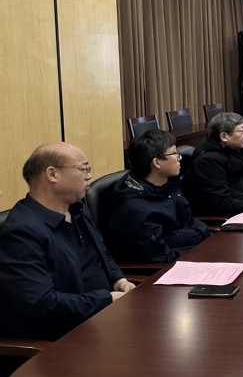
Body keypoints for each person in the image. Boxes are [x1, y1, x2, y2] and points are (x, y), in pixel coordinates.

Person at [0, 143, 135, 341]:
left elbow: (102, 254)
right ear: (52, 174)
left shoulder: (78, 209)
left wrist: (119, 280)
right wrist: (106, 299)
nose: (89, 176)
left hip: (104, 316)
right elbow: (42, 305)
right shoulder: (21, 231)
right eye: (84, 169)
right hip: (66, 336)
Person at [105, 130, 211, 263]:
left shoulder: (168, 186)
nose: (180, 157)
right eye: (174, 153)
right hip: (166, 268)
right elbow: (161, 257)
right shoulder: (135, 209)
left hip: (191, 251)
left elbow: (188, 221)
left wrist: (208, 238)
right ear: (157, 163)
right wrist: (205, 247)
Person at [183, 112, 243, 217]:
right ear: (224, 136)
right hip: (223, 218)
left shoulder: (233, 151)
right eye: (241, 131)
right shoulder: (208, 161)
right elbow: (222, 203)